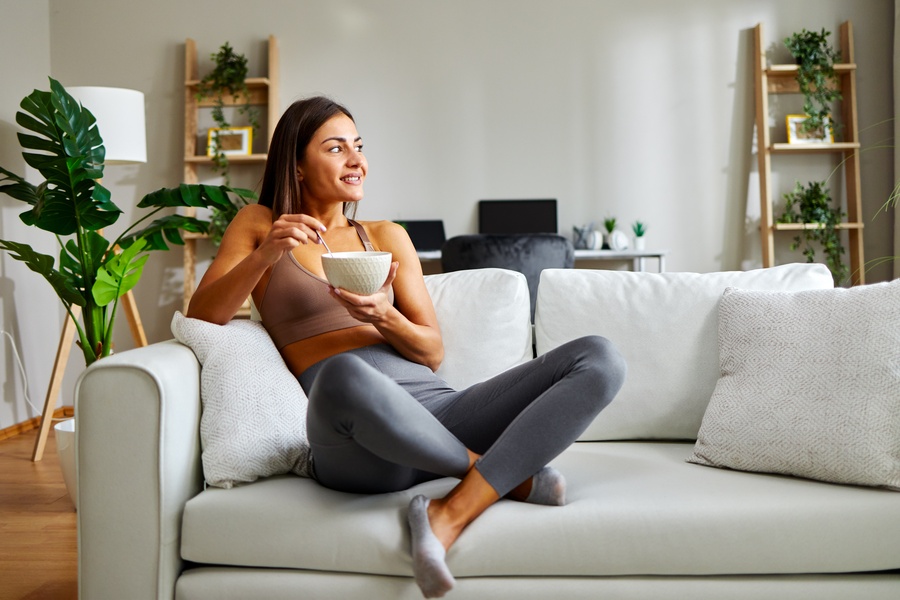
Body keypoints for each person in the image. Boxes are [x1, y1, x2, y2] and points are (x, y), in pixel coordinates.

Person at [187, 96, 627, 598]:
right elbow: (205, 317)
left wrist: (383, 315)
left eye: (359, 146)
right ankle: (501, 472)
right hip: (356, 437)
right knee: (344, 374)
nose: (357, 160)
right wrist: (266, 255)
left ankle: (448, 512)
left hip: (439, 411)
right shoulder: (261, 225)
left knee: (600, 358)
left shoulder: (386, 236)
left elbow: (431, 352)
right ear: (298, 166)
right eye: (336, 148)